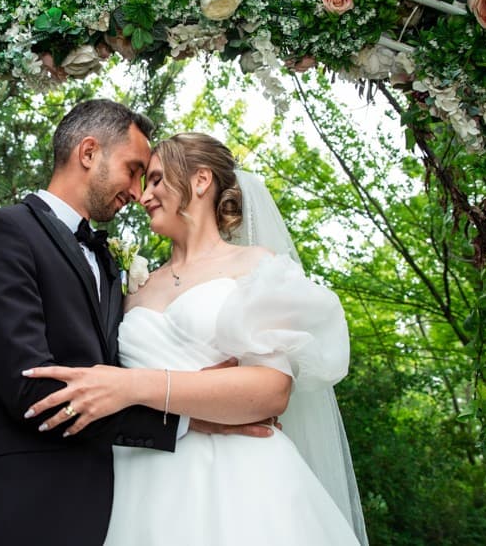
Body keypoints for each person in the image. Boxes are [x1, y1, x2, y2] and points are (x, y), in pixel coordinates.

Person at [0, 104, 270, 546]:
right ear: (88, 152)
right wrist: (186, 419)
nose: (137, 191)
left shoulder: (111, 264)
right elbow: (35, 393)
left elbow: (113, 369)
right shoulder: (5, 233)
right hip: (17, 507)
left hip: (113, 505)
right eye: (133, 171)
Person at [23, 132, 369, 545]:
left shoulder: (256, 267)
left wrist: (134, 385)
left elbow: (272, 391)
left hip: (242, 483)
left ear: (201, 181)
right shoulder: (133, 287)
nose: (142, 194)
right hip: (137, 479)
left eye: (154, 180)